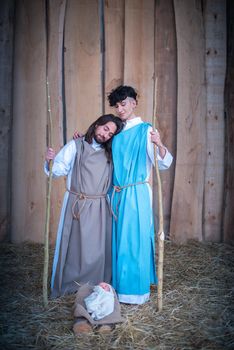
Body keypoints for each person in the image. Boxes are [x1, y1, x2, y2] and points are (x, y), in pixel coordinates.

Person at [44, 114, 123, 298]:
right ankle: (70, 284)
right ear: (96, 124)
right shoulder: (76, 146)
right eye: (105, 129)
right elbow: (58, 170)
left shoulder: (110, 154)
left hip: (100, 206)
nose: (106, 135)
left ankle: (97, 284)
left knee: (97, 248)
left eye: (110, 134)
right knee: (74, 246)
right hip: (77, 204)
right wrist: (50, 160)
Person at [107, 85, 173, 305]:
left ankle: (135, 293)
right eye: (117, 106)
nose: (120, 109)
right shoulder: (115, 132)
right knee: (118, 242)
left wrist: (159, 143)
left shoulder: (145, 130)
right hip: (116, 193)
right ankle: (119, 288)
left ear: (134, 102)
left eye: (123, 104)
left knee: (134, 240)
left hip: (136, 193)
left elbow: (163, 163)